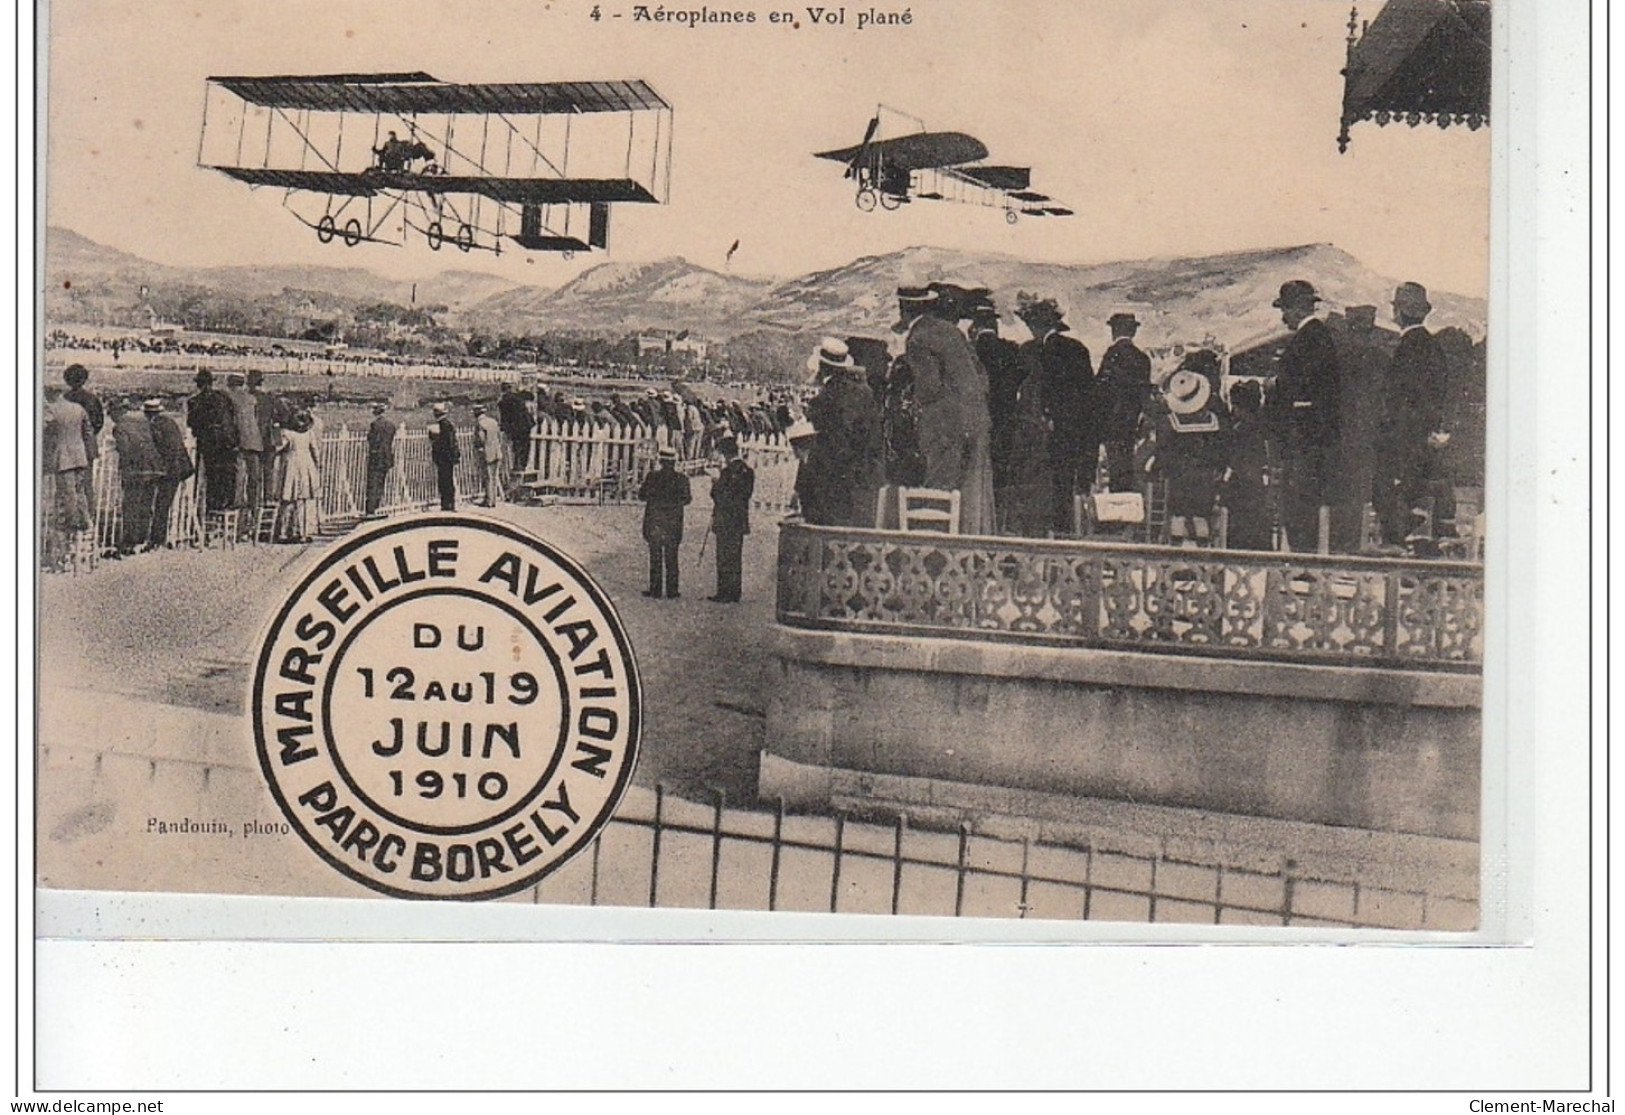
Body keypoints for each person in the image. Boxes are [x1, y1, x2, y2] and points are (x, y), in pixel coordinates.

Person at [896, 285, 996, 534]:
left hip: (943, 426)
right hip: (977, 421)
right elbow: (982, 377)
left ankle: (936, 555)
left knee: (939, 491)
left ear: (904, 309)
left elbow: (929, 389)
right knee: (972, 492)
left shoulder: (918, 339)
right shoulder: (953, 332)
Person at [1262, 280, 1341, 552]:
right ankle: (1301, 555)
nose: (1283, 316)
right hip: (1308, 434)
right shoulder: (1316, 335)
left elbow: (1301, 385)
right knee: (1300, 498)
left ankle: (1302, 558)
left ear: (1296, 309)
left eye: (1284, 309)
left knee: (1299, 499)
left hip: (1303, 435)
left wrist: (1274, 384)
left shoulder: (1310, 338)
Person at [1374, 281, 1451, 549]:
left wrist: (1390, 436)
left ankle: (1399, 558)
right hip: (1423, 441)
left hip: (1404, 442)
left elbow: (1399, 401)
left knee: (1397, 503)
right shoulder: (1432, 346)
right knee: (1415, 502)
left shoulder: (1408, 347)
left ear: (1400, 312)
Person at [802, 338, 885, 528]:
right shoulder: (864, 393)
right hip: (862, 476)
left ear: (822, 366)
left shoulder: (823, 400)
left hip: (830, 479)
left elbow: (825, 446)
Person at [1149, 366, 1228, 545]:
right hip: (1206, 477)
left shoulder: (1169, 422)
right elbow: (1221, 450)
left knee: (1177, 515)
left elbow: (1162, 451)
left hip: (1179, 477)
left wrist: (1158, 469)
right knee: (1202, 517)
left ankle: (1176, 551)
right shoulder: (1214, 421)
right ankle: (1203, 553)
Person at [967, 292, 1026, 502]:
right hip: (1006, 418)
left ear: (973, 326)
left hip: (977, 420)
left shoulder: (969, 351)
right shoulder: (1012, 349)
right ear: (995, 324)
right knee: (1001, 473)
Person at [1096, 311, 1154, 493]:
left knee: (1115, 468)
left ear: (1114, 331)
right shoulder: (1143, 358)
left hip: (1111, 422)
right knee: (1127, 464)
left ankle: (1118, 507)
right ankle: (1129, 501)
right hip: (1132, 422)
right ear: (1133, 333)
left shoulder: (1112, 355)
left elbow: (1101, 389)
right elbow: (1144, 393)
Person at [1219, 381, 1274, 551]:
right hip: (1257, 480)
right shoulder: (1261, 425)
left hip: (1242, 480)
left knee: (1239, 517)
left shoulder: (1240, 429)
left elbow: (1233, 457)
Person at [42, 384, 94, 562]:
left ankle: (74, 528)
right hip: (80, 457)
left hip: (63, 458)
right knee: (79, 493)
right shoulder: (77, 408)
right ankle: (86, 526)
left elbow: (44, 432)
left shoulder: (51, 410)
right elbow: (88, 432)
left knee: (67, 494)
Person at [638, 447, 691, 599]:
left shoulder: (652, 477)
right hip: (673, 522)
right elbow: (687, 499)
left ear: (660, 461)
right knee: (672, 555)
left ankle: (655, 589)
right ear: (674, 462)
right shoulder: (682, 479)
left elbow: (642, 495)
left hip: (655, 521)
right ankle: (672, 590)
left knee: (655, 555)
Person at [110, 398, 162, 555]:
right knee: (145, 505)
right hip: (153, 468)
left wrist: (124, 470)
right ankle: (142, 538)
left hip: (136, 471)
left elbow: (125, 450)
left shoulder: (120, 426)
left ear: (116, 412)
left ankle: (129, 541)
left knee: (131, 506)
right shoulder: (142, 420)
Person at [708, 437, 756, 603]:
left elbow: (717, 495)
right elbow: (746, 495)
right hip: (739, 519)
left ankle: (723, 592)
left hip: (725, 519)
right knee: (736, 556)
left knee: (723, 556)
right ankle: (735, 591)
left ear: (725, 454)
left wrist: (714, 482)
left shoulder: (727, 472)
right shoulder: (748, 471)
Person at [186, 369, 239, 512]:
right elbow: (232, 417)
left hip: (209, 442)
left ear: (199, 385)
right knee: (227, 473)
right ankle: (227, 502)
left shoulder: (194, 401)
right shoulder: (223, 397)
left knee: (212, 474)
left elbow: (192, 424)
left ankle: (212, 504)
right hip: (227, 441)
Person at [146, 398, 194, 549]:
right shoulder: (170, 422)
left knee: (161, 504)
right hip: (181, 467)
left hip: (169, 469)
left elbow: (161, 447)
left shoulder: (155, 425)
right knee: (165, 504)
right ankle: (172, 534)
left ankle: (157, 539)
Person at [61, 364, 102, 519]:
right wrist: (88, 436)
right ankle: (88, 516)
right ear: (84, 379)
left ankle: (70, 517)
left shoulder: (64, 399)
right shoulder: (92, 399)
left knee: (66, 484)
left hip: (67, 445)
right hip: (85, 446)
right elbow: (98, 422)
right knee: (86, 484)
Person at [276, 410, 321, 542]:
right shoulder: (309, 434)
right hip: (306, 466)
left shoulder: (288, 434)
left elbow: (278, 447)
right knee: (303, 502)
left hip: (292, 466)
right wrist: (318, 465)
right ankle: (302, 533)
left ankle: (284, 532)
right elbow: (315, 451)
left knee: (288, 501)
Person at [225, 372, 264, 516]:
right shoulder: (251, 399)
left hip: (239, 442)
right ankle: (254, 509)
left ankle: (238, 505)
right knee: (254, 478)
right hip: (255, 442)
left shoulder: (229, 397)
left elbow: (230, 422)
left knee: (238, 476)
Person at [364, 402, 397, 517]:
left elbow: (372, 440)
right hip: (386, 458)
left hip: (376, 457)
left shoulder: (375, 424)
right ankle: (377, 506)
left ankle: (370, 509)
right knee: (381, 483)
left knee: (373, 482)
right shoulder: (391, 425)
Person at [427, 402, 460, 511]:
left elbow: (444, 442)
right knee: (448, 481)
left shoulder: (442, 425)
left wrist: (434, 439)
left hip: (444, 458)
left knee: (444, 482)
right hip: (448, 458)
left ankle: (446, 504)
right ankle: (450, 503)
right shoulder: (448, 424)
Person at [497, 384, 534, 473]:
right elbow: (530, 396)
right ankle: (522, 465)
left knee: (516, 446)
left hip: (516, 426)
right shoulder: (517, 397)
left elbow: (504, 418)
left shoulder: (502, 402)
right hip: (525, 425)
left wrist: (504, 428)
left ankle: (518, 465)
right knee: (524, 445)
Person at [473, 403, 503, 507]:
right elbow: (499, 436)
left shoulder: (480, 424)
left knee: (487, 477)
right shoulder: (493, 422)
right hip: (496, 452)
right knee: (494, 477)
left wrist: (477, 446)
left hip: (486, 453)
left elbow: (481, 439)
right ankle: (493, 500)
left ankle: (489, 501)